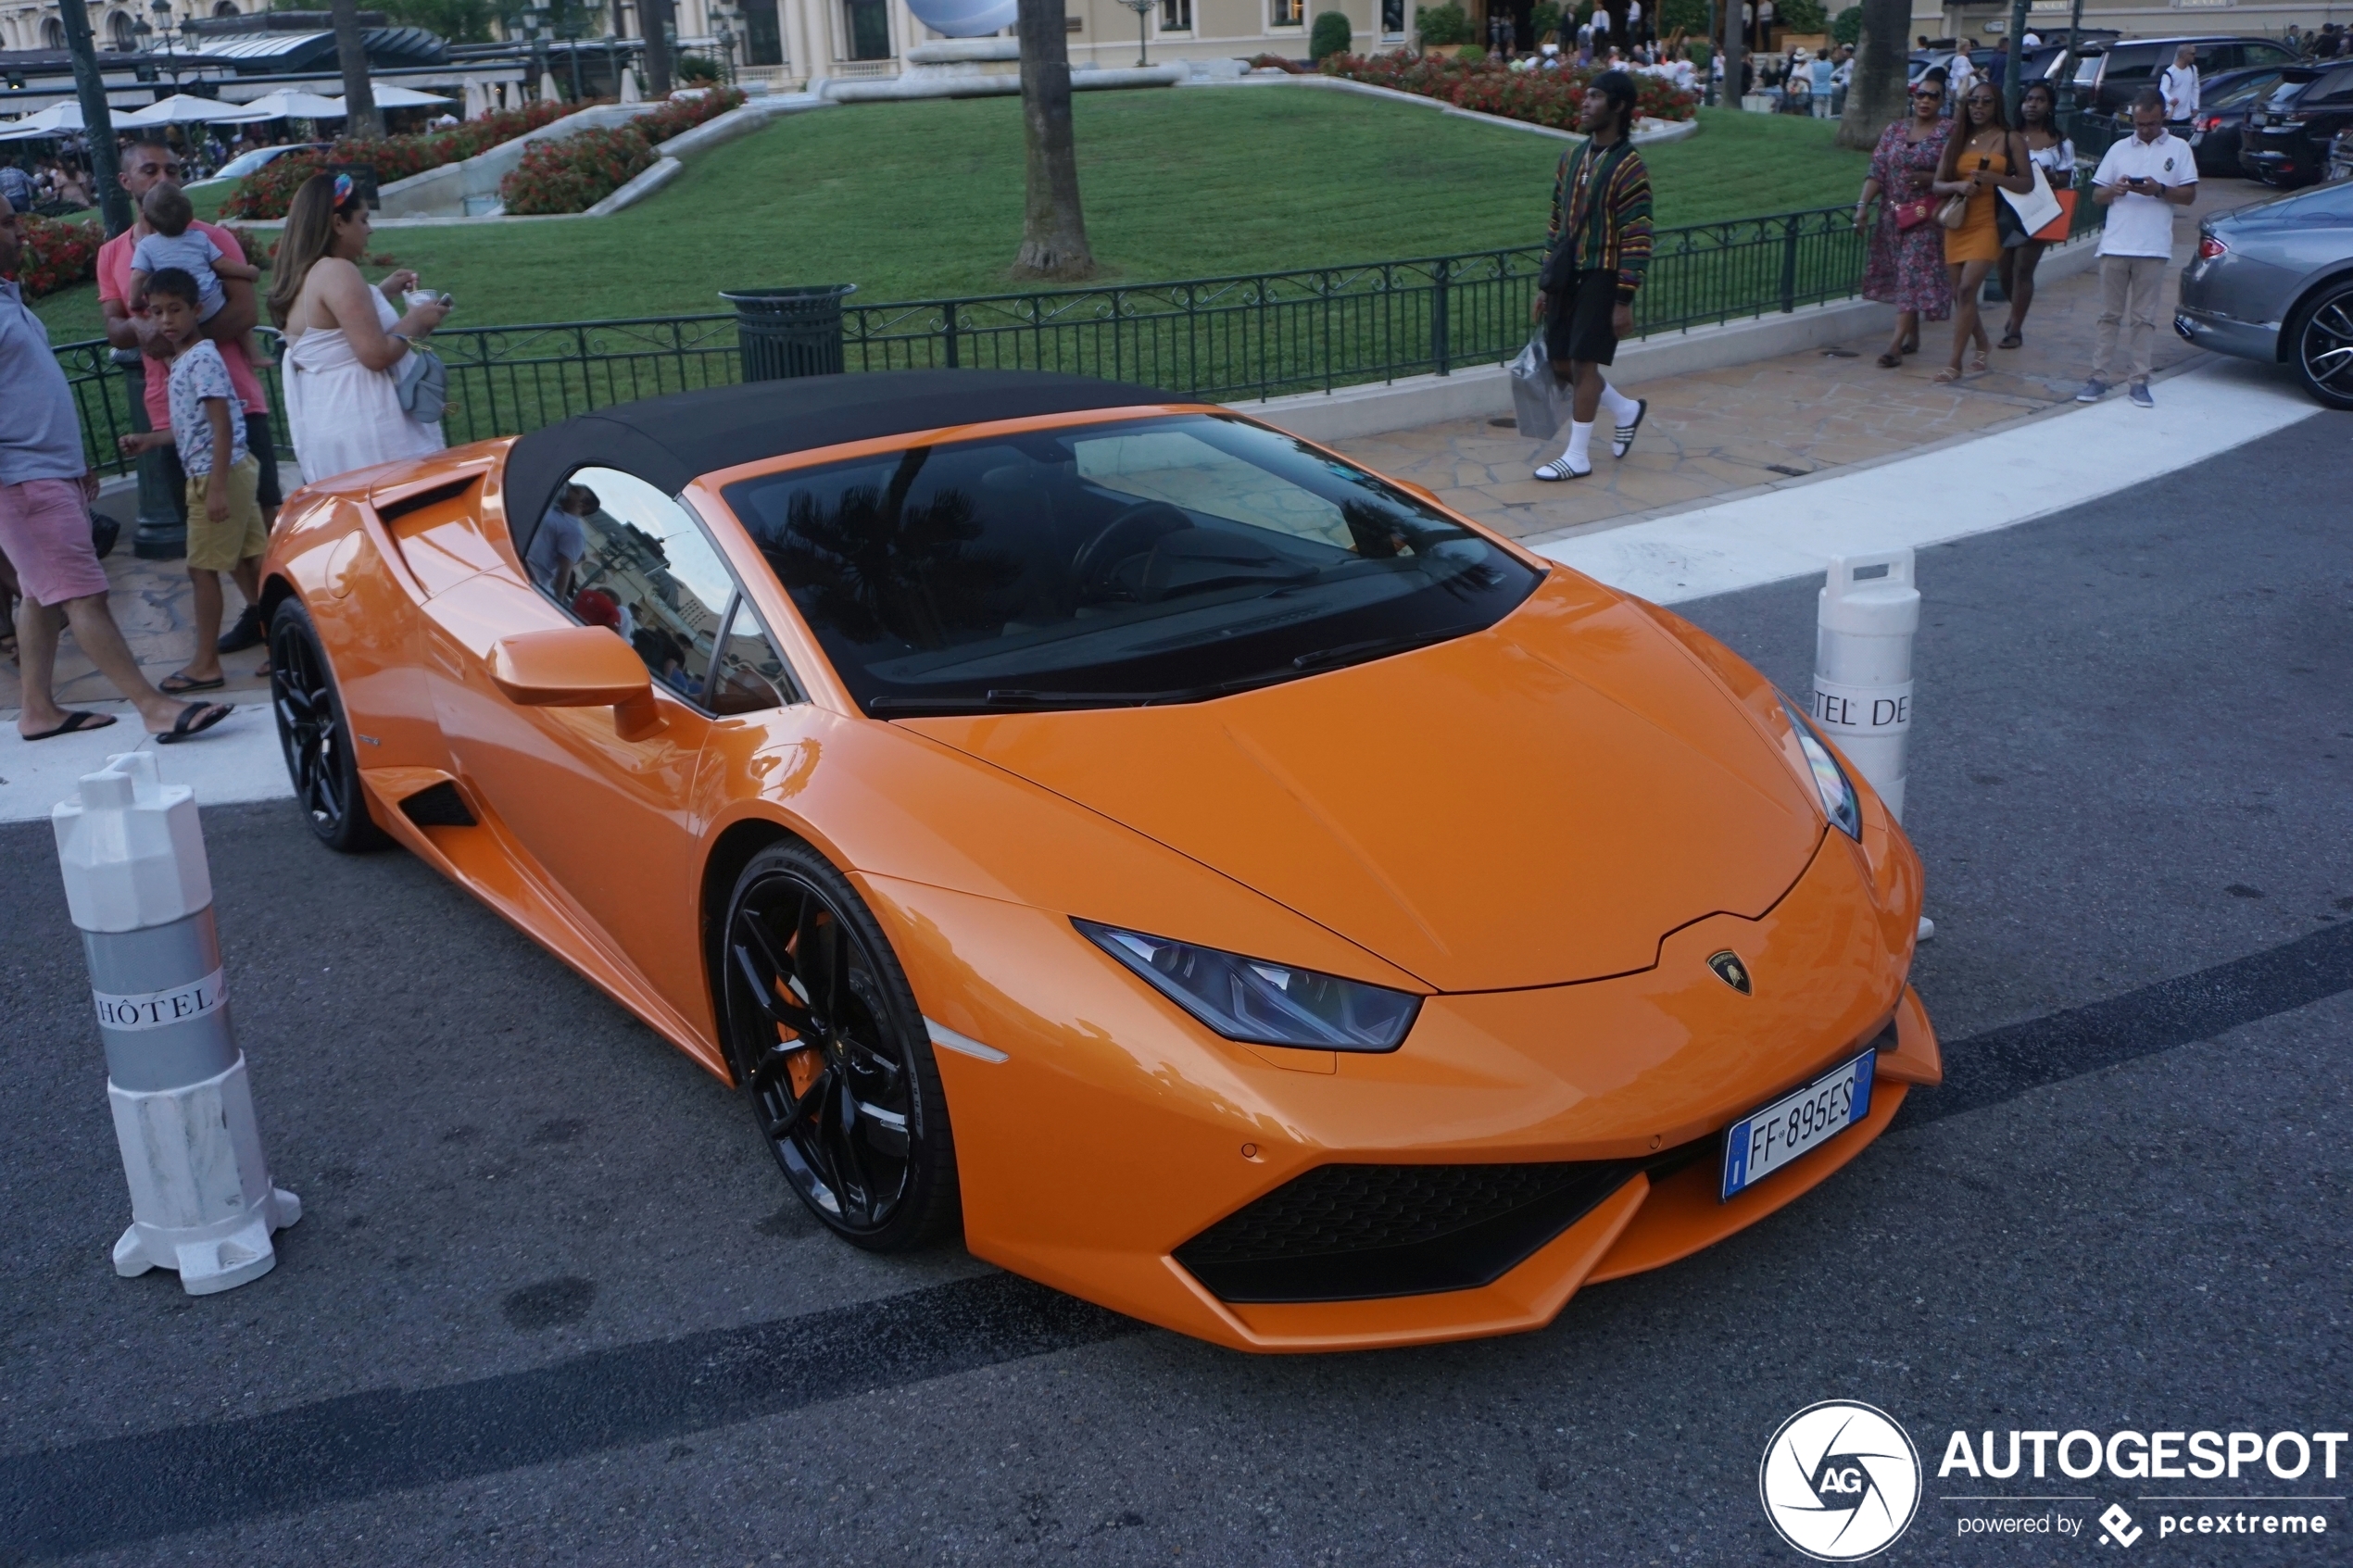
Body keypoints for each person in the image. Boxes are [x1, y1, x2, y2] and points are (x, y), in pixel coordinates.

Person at [0, 194, 230, 744]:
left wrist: (73, 464)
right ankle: (153, 707)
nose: (19, 231)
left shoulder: (9, 297)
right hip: (24, 478)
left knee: (38, 595)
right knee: (83, 595)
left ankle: (37, 709)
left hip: (45, 471)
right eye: (6, 223)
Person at [96, 136, 283, 659]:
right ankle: (261, 618)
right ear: (126, 183)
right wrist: (143, 330)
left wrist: (181, 337)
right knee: (217, 524)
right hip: (172, 409)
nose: (163, 179)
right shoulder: (115, 254)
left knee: (263, 514)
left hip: (235, 400)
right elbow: (115, 322)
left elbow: (244, 312)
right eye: (149, 170)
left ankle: (285, 613)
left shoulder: (212, 238)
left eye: (172, 170)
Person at [113, 269, 270, 696]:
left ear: (196, 310)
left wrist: (216, 487)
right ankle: (279, 642)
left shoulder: (201, 359)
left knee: (202, 570)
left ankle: (205, 664)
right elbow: (193, 426)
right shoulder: (184, 360)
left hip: (215, 475)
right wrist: (150, 439)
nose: (165, 320)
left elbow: (221, 425)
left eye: (175, 310)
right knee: (250, 560)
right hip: (226, 470)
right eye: (157, 311)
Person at [270, 171, 450, 487]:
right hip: (365, 419)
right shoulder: (338, 271)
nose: (369, 230)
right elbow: (375, 354)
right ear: (338, 223)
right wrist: (417, 320)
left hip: (328, 417)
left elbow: (331, 331)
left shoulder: (301, 274)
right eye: (363, 220)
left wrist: (381, 292)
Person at [1529, 71, 1652, 482]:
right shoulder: (1571, 158)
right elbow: (1555, 224)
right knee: (1562, 362)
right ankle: (1624, 409)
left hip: (1602, 275)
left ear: (1617, 106)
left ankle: (1577, 455)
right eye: (1585, 96)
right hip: (1567, 276)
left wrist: (1624, 298)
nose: (1584, 103)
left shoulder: (1629, 166)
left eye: (1595, 97)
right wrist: (1546, 285)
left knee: (1584, 364)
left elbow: (1638, 234)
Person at [2078, 88, 2195, 408]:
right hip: (2116, 243)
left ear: (2162, 117)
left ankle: (2139, 380)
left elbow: (2188, 195)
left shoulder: (2179, 148)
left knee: (2144, 318)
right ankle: (2098, 377)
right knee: (2109, 315)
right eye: (2140, 124)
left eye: (2152, 124)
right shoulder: (2118, 148)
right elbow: (2095, 196)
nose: (2145, 130)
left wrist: (2159, 190)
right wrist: (2114, 189)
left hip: (2153, 247)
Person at [1930, 79, 2031, 383]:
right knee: (1960, 295)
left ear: (1997, 105)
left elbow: (2027, 183)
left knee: (1965, 290)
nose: (1979, 107)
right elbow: (1936, 184)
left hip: (1988, 222)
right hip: (1958, 221)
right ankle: (1983, 343)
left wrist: (1994, 179)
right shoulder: (1957, 138)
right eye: (1973, 101)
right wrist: (1957, 185)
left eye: (1986, 101)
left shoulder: (2009, 138)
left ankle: (1954, 362)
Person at [1857, 76, 1954, 368]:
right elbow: (1877, 169)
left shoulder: (1950, 132)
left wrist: (1932, 178)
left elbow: (1959, 171)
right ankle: (1913, 337)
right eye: (1920, 94)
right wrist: (1863, 206)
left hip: (1926, 216)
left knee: (1911, 272)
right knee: (1903, 275)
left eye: (1933, 96)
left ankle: (1895, 346)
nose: (1925, 100)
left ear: (1942, 101)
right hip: (1893, 216)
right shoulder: (1895, 130)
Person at [129, 183, 264, 370]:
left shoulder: (146, 245)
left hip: (177, 307)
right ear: (189, 216)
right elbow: (222, 265)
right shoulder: (200, 238)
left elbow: (138, 276)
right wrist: (250, 271)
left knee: (161, 328)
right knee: (224, 290)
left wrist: (135, 301)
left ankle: (174, 368)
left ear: (148, 219)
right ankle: (254, 355)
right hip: (208, 302)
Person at [1995, 81, 2074, 349]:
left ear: (2049, 106)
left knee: (2023, 268)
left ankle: (2015, 328)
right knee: (2004, 269)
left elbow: (2066, 177)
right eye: (2028, 99)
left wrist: (2050, 176)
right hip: (2008, 209)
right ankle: (2015, 310)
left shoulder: (2060, 142)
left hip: (2041, 209)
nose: (2032, 104)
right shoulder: (2008, 135)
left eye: (2040, 100)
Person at [526, 483, 599, 598]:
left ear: (584, 506)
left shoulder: (575, 532)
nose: (568, 490)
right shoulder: (551, 509)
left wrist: (556, 603)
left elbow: (564, 572)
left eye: (574, 491)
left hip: (530, 579)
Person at [2159, 44, 2198, 126]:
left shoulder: (2192, 69)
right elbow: (2162, 90)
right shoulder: (2170, 72)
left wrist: (2195, 106)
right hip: (2172, 117)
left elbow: (2195, 88)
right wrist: (2171, 100)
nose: (2194, 56)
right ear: (2184, 55)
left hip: (2187, 116)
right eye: (2192, 54)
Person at [1809, 45, 1834, 118]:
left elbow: (1810, 63)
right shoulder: (1830, 65)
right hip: (1827, 90)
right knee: (1827, 110)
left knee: (1817, 110)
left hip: (1817, 90)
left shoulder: (1815, 65)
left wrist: (1815, 58)